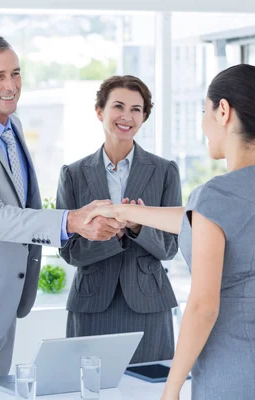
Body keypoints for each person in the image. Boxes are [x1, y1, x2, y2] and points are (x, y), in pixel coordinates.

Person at [85, 64, 255, 400]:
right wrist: (122, 210)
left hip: (235, 366)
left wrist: (172, 387)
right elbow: (203, 220)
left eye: (204, 111)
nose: (203, 123)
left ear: (223, 111)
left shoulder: (216, 195)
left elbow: (203, 306)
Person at [0, 34, 124, 384]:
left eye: (16, 73)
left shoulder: (10, 125)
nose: (12, 86)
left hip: (1, 308)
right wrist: (71, 220)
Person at [56, 75, 181, 363]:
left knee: (150, 390)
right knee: (88, 388)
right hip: (92, 304)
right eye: (118, 106)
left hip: (149, 305)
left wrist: (138, 228)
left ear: (144, 117)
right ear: (100, 111)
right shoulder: (73, 175)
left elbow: (171, 247)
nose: (127, 116)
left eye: (136, 109)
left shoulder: (164, 172)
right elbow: (69, 251)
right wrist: (110, 234)